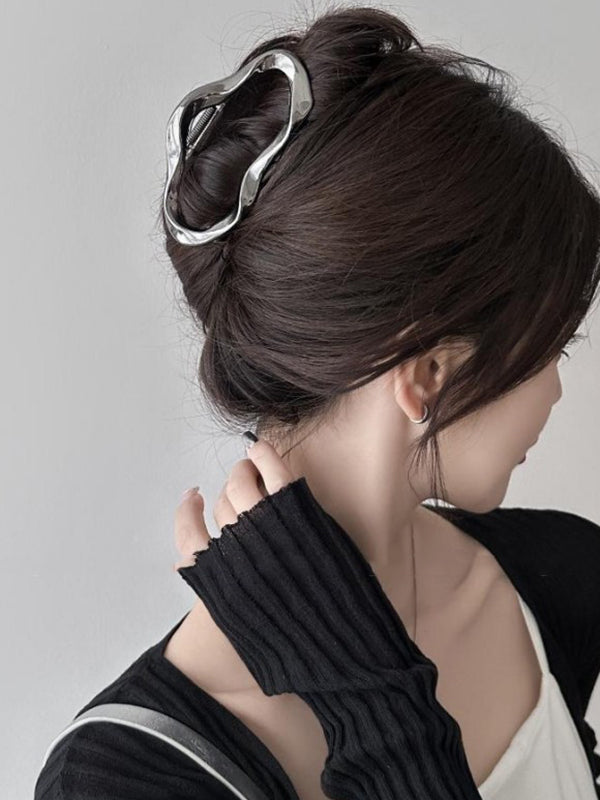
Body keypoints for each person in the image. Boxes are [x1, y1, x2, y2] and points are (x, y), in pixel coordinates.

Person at [35, 5, 600, 799]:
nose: (557, 389)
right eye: (550, 349)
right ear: (428, 376)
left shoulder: (562, 577)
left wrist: (361, 676)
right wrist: (368, 695)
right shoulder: (120, 781)